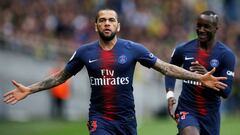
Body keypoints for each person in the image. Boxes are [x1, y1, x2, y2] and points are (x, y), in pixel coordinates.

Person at [3, 9, 227, 135]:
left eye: (111, 20)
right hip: (100, 119)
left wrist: (200, 77)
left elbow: (165, 67)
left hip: (127, 120)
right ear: (96, 26)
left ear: (118, 26)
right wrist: (30, 89)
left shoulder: (133, 49)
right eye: (102, 21)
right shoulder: (84, 52)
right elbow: (60, 76)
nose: (107, 24)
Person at [165, 10, 236, 135]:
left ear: (216, 28)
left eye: (206, 26)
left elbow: (226, 92)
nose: (201, 30)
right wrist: (170, 94)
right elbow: (170, 70)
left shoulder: (226, 55)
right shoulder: (183, 49)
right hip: (187, 109)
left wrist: (209, 77)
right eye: (199, 26)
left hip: (210, 115)